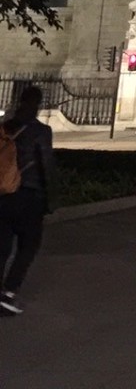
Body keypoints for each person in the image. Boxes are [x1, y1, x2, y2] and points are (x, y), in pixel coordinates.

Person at [0, 86, 56, 316]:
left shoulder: (5, 128)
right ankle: (9, 293)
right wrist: (51, 199)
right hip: (29, 197)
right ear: (38, 104)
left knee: (2, 247)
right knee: (28, 246)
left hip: (3, 195)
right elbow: (46, 165)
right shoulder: (41, 131)